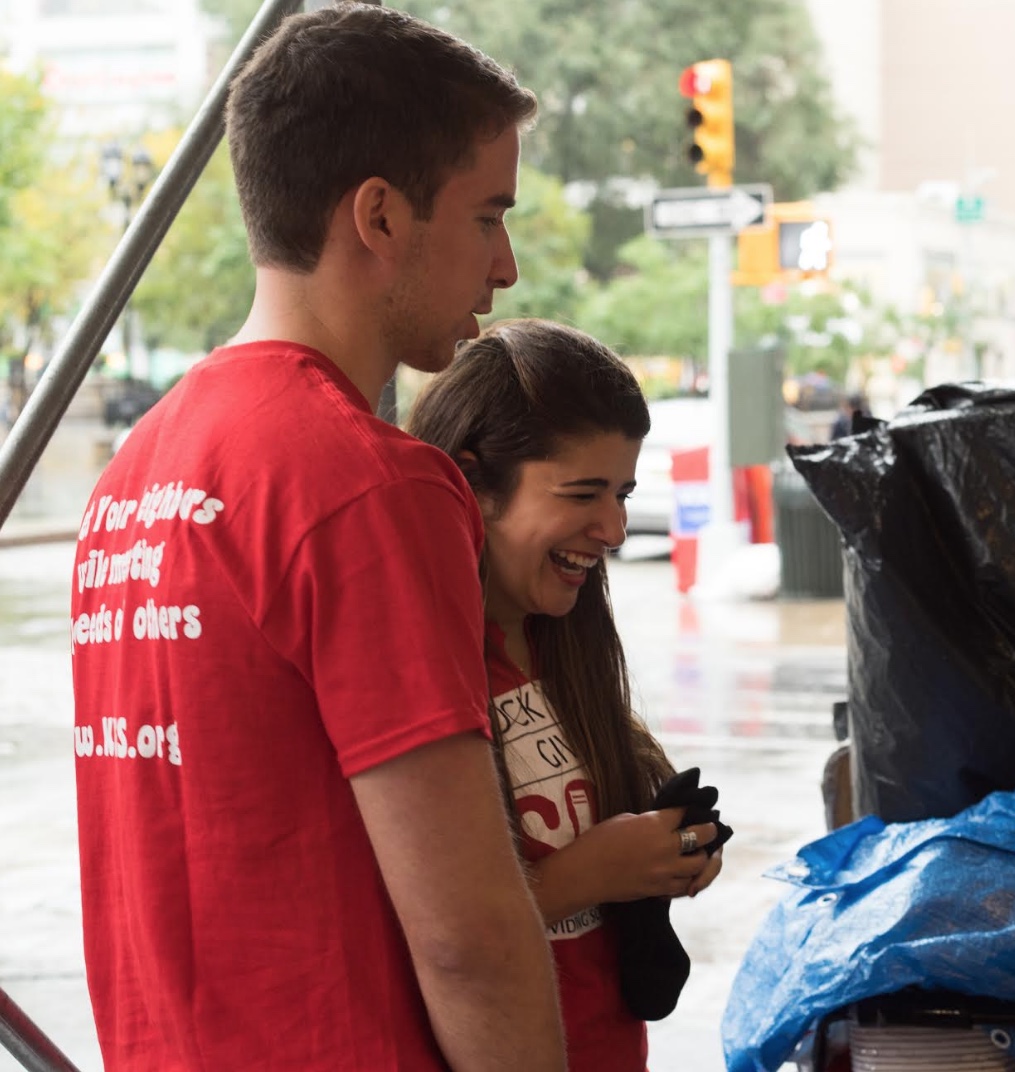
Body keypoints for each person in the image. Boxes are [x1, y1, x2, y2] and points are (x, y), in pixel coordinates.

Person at [68, 7, 565, 1070]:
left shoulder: (135, 474)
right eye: (488, 216)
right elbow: (467, 934)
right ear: (380, 215)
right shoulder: (365, 481)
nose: (508, 266)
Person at [408, 319, 726, 1070]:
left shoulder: (566, 641)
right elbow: (416, 930)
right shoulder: (420, 664)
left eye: (622, 493)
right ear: (471, 483)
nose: (614, 529)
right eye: (584, 493)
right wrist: (595, 870)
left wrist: (665, 853)